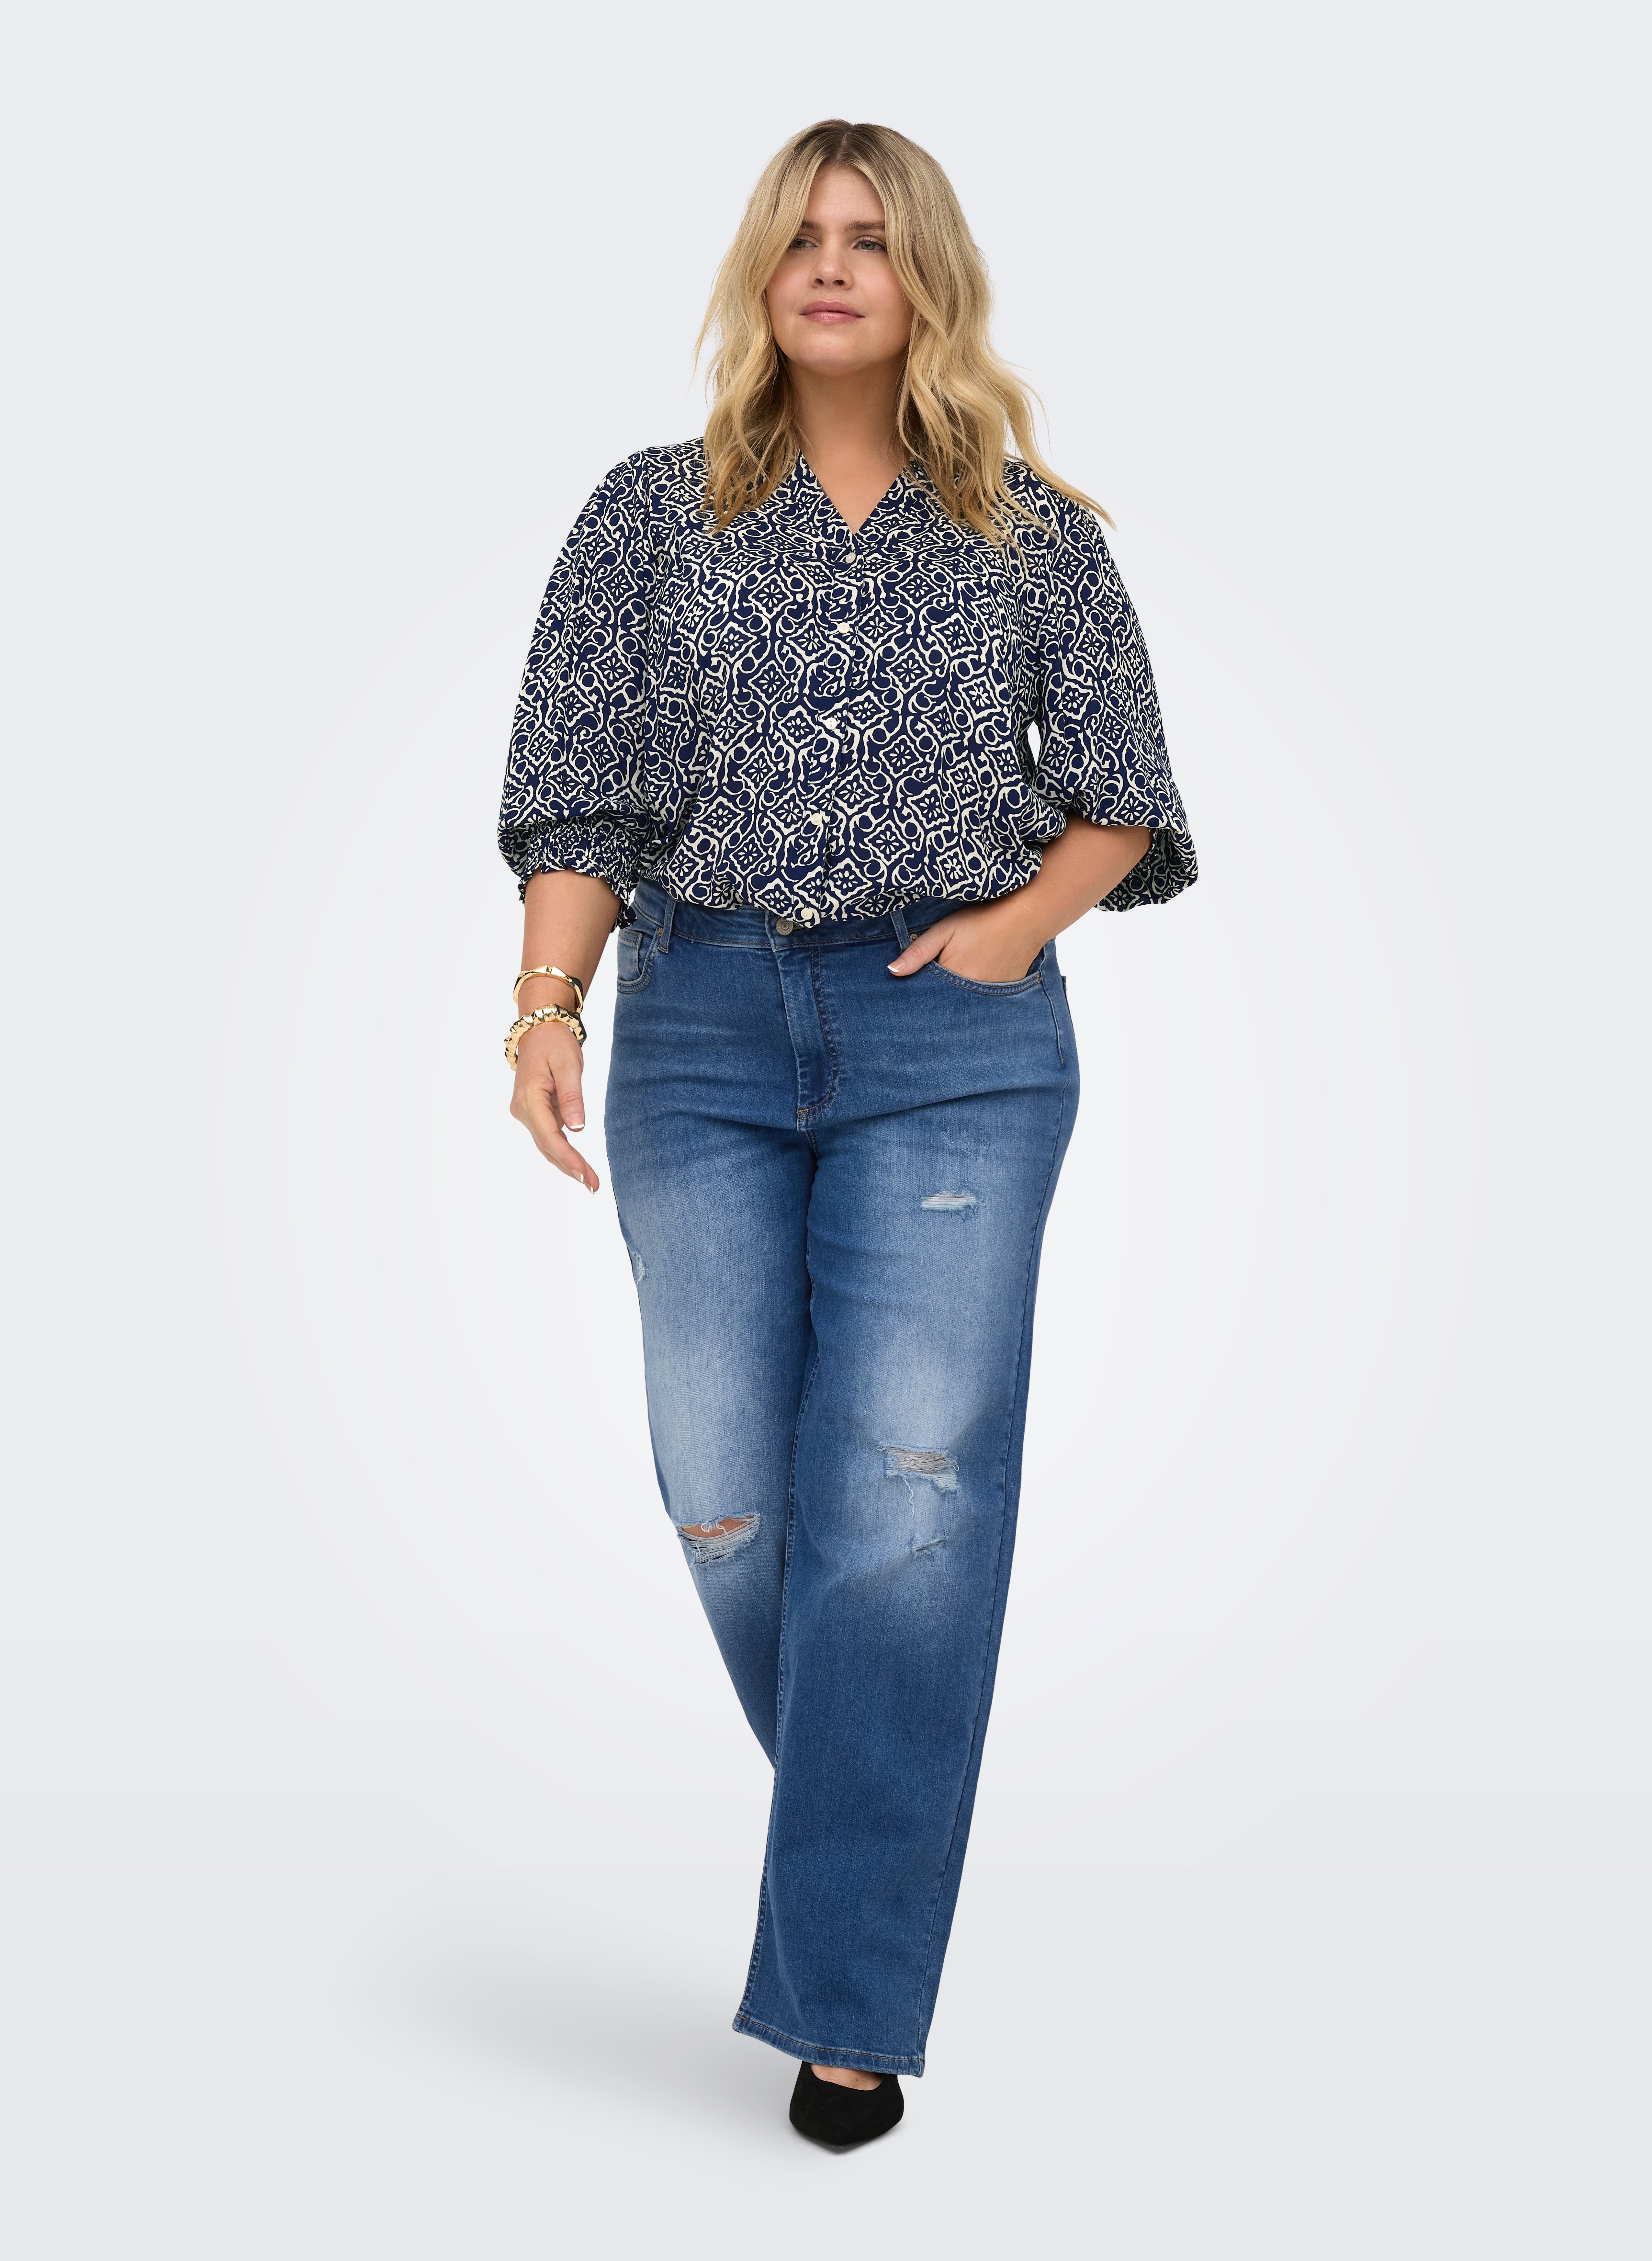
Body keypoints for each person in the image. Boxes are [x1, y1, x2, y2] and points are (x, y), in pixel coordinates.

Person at [498, 118, 1196, 2149]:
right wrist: (542, 1005)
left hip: (948, 1034)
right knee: (725, 1489)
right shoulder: (648, 514)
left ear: (923, 281)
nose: (830, 264)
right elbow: (579, 792)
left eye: (870, 239)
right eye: (801, 234)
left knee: (903, 1500)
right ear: (760, 270)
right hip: (700, 1025)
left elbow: (1128, 794)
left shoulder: (1031, 531)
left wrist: (1015, 928)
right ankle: (871, 1856)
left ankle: (850, 2010)